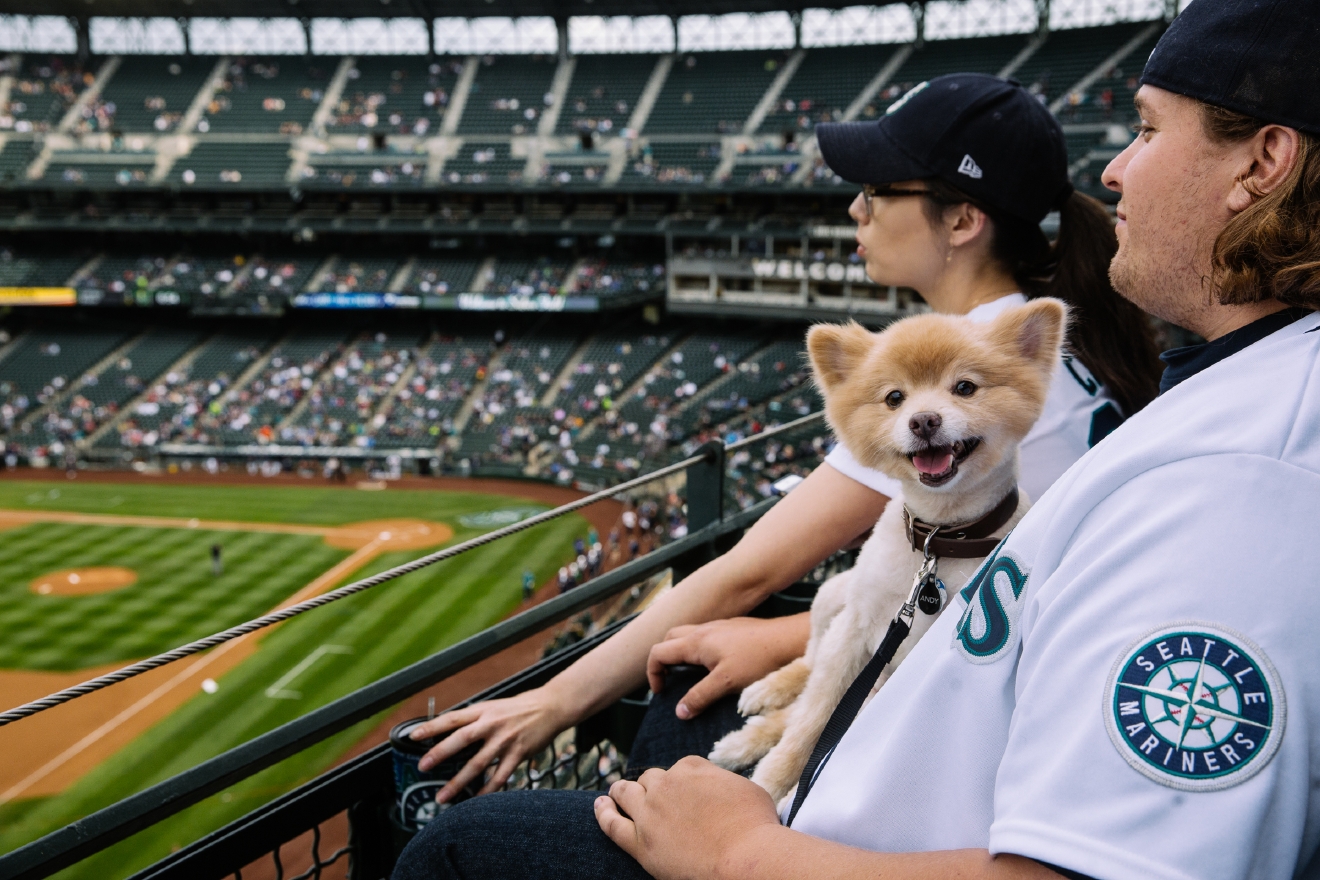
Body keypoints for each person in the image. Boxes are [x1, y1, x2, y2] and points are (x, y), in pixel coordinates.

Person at [395, 1, 1320, 878]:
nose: (1114, 168)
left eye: (1150, 130)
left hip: (875, 825)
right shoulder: (1199, 384)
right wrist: (809, 633)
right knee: (691, 714)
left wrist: (731, 847)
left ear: (1264, 160)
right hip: (901, 751)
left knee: (469, 845)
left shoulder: (1238, 472)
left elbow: (1114, 858)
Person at [401, 71, 1160, 809]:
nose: (856, 210)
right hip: (994, 687)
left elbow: (743, 575)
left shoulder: (966, 379)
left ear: (962, 222)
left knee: (676, 725)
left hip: (954, 736)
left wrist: (551, 704)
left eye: (878, 191)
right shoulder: (1025, 346)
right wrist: (791, 639)